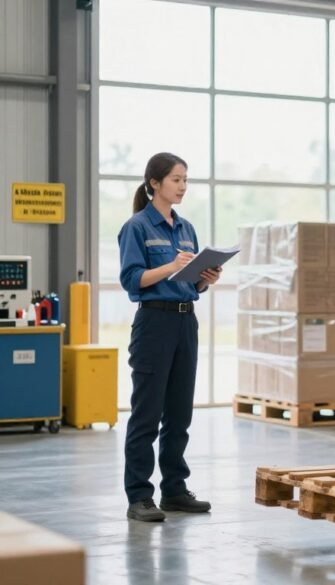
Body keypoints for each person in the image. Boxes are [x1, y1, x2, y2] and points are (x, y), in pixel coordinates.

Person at [118, 152, 222, 522]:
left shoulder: (186, 228)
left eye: (185, 180)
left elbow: (189, 283)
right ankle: (139, 496)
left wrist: (204, 280)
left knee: (179, 413)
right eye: (176, 180)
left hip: (185, 322)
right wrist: (169, 266)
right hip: (154, 324)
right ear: (155, 183)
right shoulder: (137, 227)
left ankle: (175, 490)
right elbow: (132, 280)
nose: (182, 187)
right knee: (147, 414)